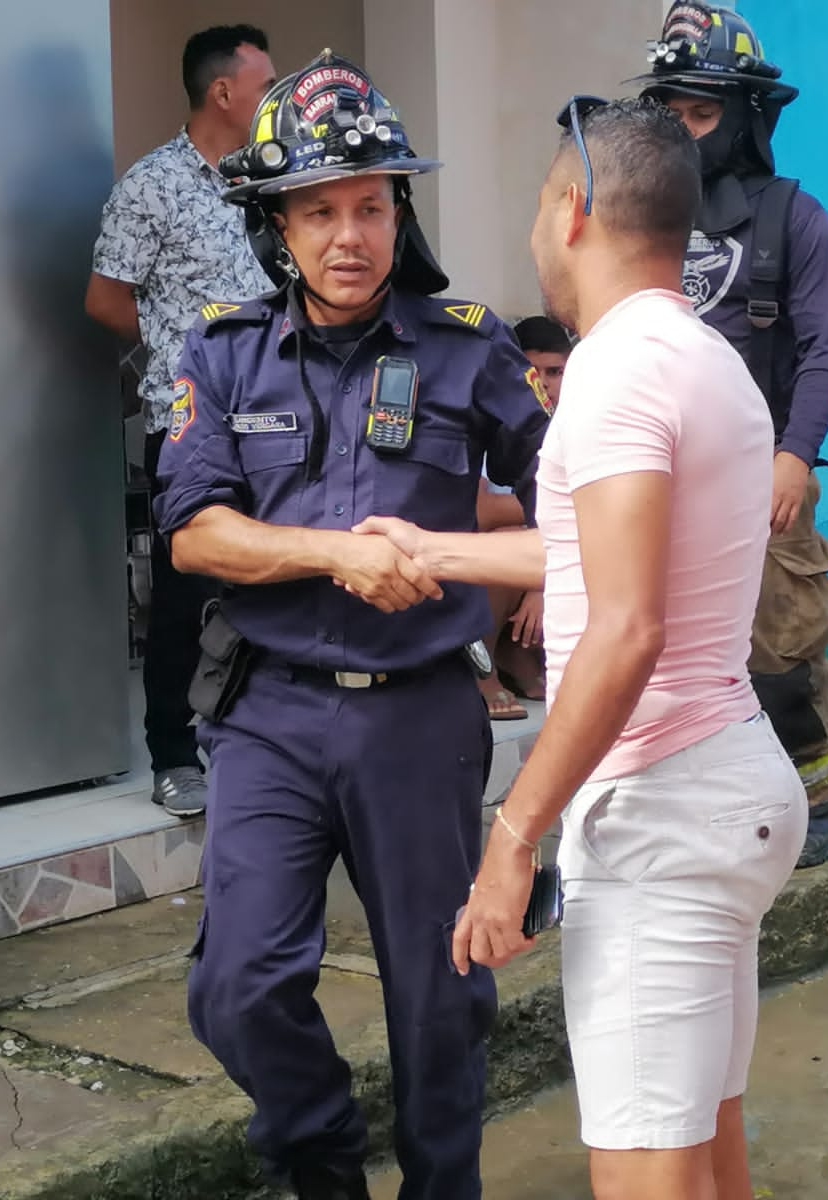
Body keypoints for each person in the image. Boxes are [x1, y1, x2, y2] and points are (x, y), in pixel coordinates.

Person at [353, 95, 806, 1200]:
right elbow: (598, 560)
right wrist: (438, 549)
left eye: (537, 201)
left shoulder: (610, 371)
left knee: (646, 1172)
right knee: (705, 1151)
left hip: (663, 806)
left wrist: (514, 837)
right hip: (728, 782)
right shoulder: (705, 361)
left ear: (572, 209)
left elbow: (625, 628)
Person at [154, 50, 550, 1200]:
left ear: (398, 213)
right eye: (319, 210)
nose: (348, 236)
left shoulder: (467, 343)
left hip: (420, 716)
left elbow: (571, 490)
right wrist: (340, 554)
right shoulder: (223, 352)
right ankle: (321, 1164)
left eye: (370, 207)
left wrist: (529, 570)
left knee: (443, 995)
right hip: (269, 715)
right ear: (277, 224)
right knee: (238, 985)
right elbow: (193, 533)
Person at [633, 2, 828, 868]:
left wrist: (794, 457)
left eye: (702, 113)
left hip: (763, 477)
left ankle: (815, 792)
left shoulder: (794, 218)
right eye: (670, 114)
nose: (683, 133)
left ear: (746, 115)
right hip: (660, 477)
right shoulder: (641, 217)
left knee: (782, 645)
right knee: (666, 646)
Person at [86, 25, 277, 816]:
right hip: (193, 418)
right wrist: (174, 349)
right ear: (223, 92)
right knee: (185, 590)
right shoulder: (152, 184)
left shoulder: (269, 181)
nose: (276, 101)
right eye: (265, 86)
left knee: (271, 578)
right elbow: (105, 297)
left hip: (277, 415)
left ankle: (259, 739)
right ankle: (172, 751)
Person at [474, 315, 570, 719]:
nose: (544, 383)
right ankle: (483, 669)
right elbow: (479, 512)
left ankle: (520, 657)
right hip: (465, 559)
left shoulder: (580, 424)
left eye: (555, 372)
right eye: (533, 372)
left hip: (536, 560)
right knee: (514, 536)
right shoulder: (487, 416)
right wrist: (551, 518)